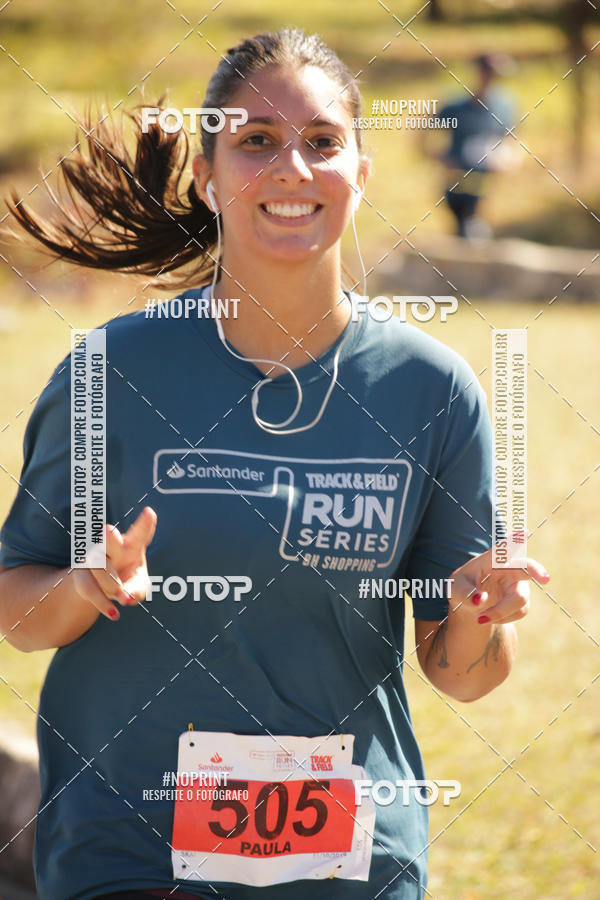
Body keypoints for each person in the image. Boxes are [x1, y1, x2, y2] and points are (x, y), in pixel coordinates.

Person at [0, 28, 548, 900]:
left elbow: (461, 673)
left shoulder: (431, 389)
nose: (293, 166)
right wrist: (83, 586)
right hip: (130, 854)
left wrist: (482, 614)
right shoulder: (112, 372)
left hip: (349, 867)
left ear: (360, 172)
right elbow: (18, 610)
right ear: (209, 178)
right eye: (256, 141)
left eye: (323, 141)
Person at [426, 53, 517, 238]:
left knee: (478, 236)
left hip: (486, 188)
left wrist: (508, 162)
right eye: (488, 74)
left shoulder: (504, 107)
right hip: (456, 188)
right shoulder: (455, 107)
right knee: (463, 234)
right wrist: (441, 158)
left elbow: (512, 141)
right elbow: (422, 139)